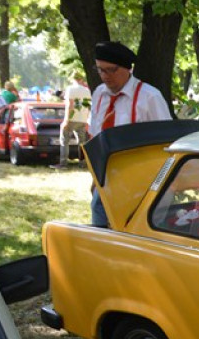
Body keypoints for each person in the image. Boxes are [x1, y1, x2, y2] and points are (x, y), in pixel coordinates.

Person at [88, 41, 173, 226]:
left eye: (111, 70)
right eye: (100, 70)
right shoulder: (99, 94)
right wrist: (95, 177)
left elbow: (167, 142)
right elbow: (95, 136)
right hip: (108, 177)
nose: (105, 76)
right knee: (99, 215)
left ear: (127, 68)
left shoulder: (149, 97)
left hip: (142, 178)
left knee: (137, 227)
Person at [51, 72, 92, 169]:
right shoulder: (87, 90)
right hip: (83, 119)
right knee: (82, 143)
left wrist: (66, 120)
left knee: (64, 141)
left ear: (73, 79)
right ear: (81, 79)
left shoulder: (70, 89)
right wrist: (86, 119)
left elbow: (70, 105)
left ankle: (63, 163)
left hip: (72, 118)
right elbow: (87, 106)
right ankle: (82, 163)